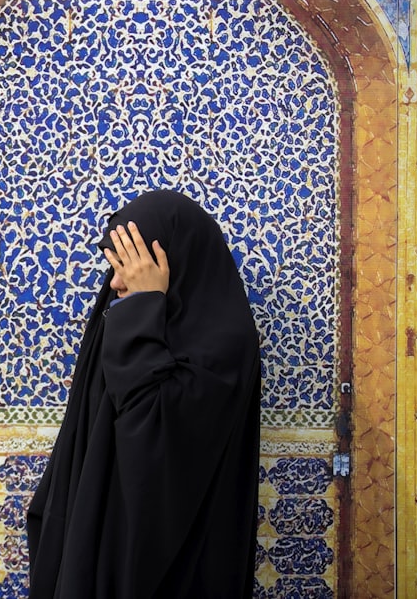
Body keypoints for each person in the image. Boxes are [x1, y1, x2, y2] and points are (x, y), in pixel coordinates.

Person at [26, 190, 261, 598]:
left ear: (174, 261)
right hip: (99, 552)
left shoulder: (224, 346)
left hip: (175, 570)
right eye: (115, 267)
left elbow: (152, 440)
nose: (115, 282)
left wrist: (145, 305)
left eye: (129, 268)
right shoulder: (121, 317)